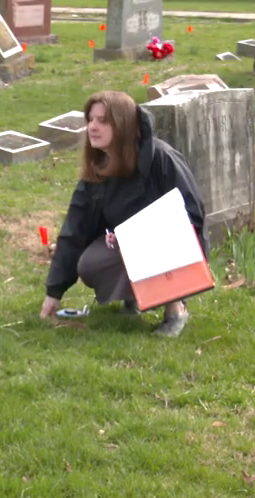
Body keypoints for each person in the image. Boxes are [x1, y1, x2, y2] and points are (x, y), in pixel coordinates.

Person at [40, 90, 209, 337]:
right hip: (126, 245)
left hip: (175, 243)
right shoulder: (99, 169)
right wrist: (53, 292)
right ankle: (135, 296)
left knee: (138, 244)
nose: (93, 127)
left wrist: (144, 235)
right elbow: (74, 230)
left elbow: (192, 215)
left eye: (103, 121)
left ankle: (176, 308)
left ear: (123, 125)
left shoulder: (162, 158)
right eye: (90, 119)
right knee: (90, 263)